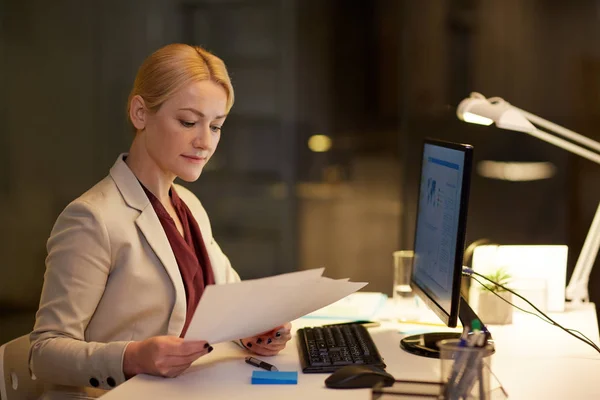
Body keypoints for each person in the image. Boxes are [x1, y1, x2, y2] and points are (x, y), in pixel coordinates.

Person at [29, 43, 292, 398]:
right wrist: (132, 357)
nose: (204, 142)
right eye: (187, 122)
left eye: (215, 126)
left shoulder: (189, 205)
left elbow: (230, 302)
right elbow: (44, 353)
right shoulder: (92, 218)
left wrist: (254, 329)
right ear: (140, 113)